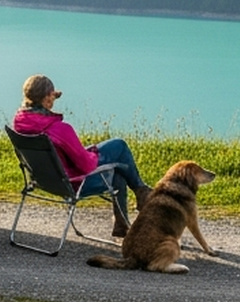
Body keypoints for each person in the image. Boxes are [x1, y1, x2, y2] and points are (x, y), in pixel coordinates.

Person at [12, 74, 152, 238]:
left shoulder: (20, 123)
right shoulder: (60, 129)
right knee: (118, 149)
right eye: (52, 96)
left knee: (117, 168)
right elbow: (86, 165)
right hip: (74, 184)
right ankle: (141, 191)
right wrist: (93, 152)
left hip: (43, 181)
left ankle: (123, 224)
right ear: (47, 98)